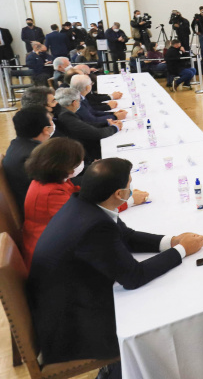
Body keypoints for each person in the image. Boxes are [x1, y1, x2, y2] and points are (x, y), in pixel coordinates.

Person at [28, 158, 203, 379]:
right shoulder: (95, 225)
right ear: (119, 194)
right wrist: (181, 251)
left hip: (67, 300)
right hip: (70, 326)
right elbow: (133, 277)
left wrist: (172, 241)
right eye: (130, 183)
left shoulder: (84, 203)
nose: (133, 187)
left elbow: (126, 236)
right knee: (158, 317)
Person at [21, 138, 85, 267]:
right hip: (49, 261)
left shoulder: (51, 178)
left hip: (52, 246)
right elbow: (82, 219)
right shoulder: (51, 194)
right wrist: (120, 201)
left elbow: (76, 195)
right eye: (75, 164)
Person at [2, 107, 55, 213]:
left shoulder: (18, 144)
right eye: (51, 121)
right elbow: (58, 179)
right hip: (41, 208)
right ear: (45, 129)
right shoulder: (35, 155)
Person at [54, 87, 120, 163]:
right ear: (74, 103)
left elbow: (85, 125)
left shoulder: (63, 112)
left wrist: (107, 123)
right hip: (87, 154)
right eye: (79, 101)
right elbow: (96, 133)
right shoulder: (66, 115)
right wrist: (115, 128)